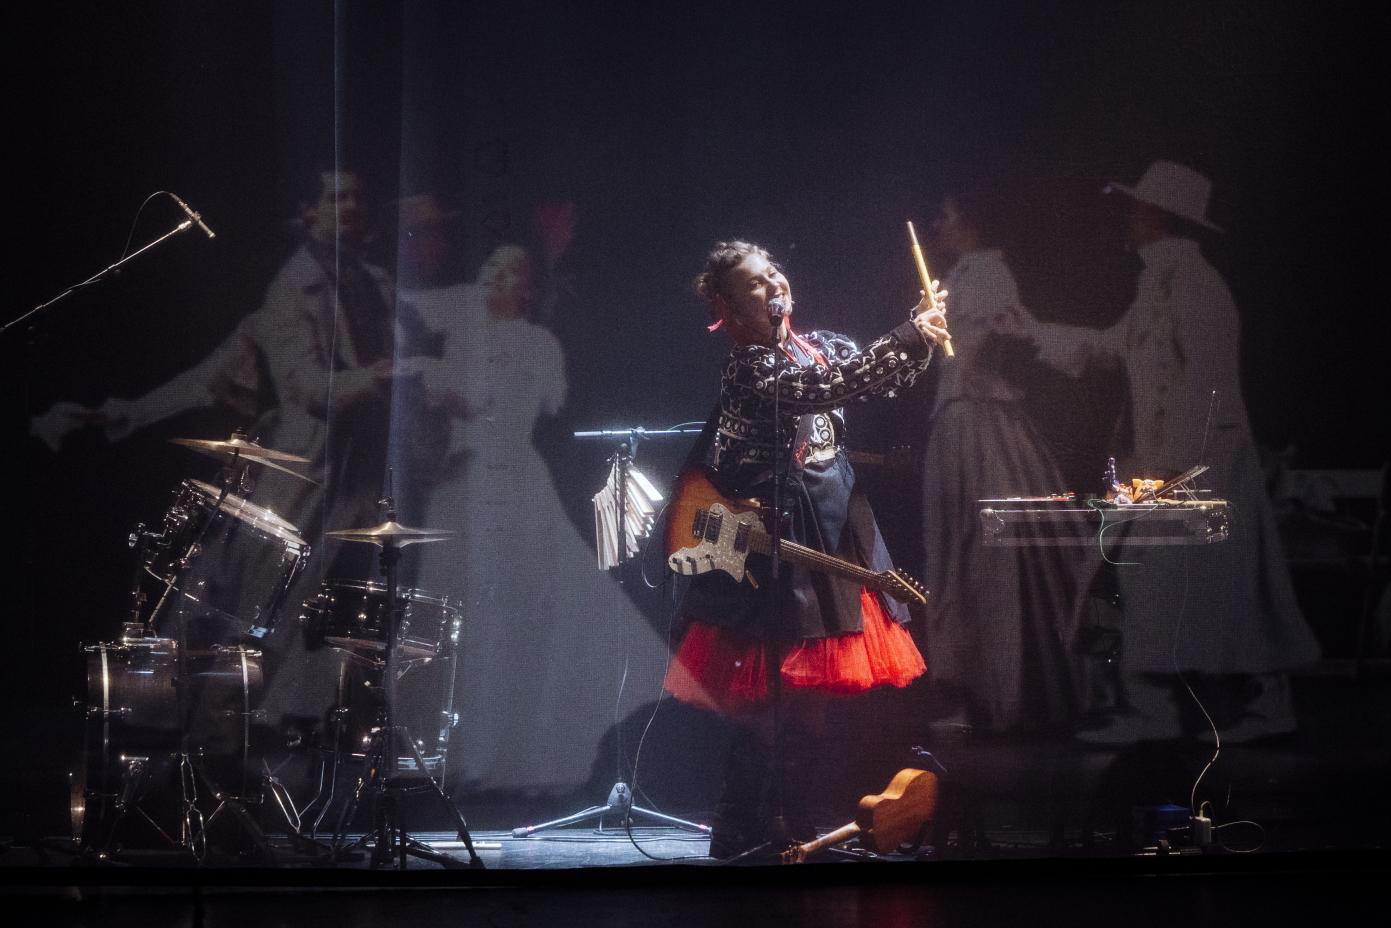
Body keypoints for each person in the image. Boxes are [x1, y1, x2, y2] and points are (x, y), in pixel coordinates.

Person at [663, 240, 950, 857]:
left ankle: (795, 824)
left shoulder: (817, 346)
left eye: (774, 273)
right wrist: (906, 337)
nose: (774, 285)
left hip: (828, 527)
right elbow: (823, 388)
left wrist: (921, 336)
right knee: (766, 700)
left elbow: (878, 379)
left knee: (811, 702)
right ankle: (738, 828)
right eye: (755, 283)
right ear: (727, 308)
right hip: (772, 542)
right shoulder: (749, 367)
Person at [1028, 160, 1321, 744]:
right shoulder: (1160, 283)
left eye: (1137, 209)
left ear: (1156, 215)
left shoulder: (1195, 286)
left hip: (1202, 462)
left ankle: (1246, 705)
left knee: (1217, 587)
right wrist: (1033, 332)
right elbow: (1115, 349)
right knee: (1163, 584)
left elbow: (1207, 383)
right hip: (1173, 462)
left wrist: (1173, 466)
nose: (1128, 219)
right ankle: (1160, 708)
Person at [919, 190, 1095, 733]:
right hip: (964, 418)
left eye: (947, 215)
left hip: (982, 422)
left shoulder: (988, 275)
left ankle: (1002, 695)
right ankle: (979, 693)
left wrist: (985, 340)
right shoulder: (963, 277)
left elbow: (1006, 344)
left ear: (973, 221)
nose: (939, 225)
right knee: (962, 553)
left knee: (988, 553)